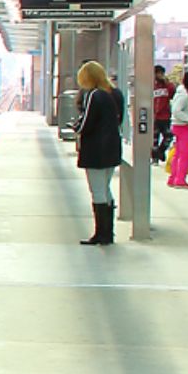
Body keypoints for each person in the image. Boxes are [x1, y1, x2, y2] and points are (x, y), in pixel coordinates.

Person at [73, 61, 122, 245]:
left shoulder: (94, 95)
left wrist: (77, 129)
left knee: (97, 191)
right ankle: (108, 233)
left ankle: (100, 234)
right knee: (106, 189)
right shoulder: (113, 93)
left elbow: (86, 123)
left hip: (96, 150)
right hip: (111, 148)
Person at [166, 70, 188, 189]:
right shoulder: (184, 95)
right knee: (185, 155)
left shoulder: (180, 93)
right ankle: (180, 180)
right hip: (183, 127)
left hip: (178, 126)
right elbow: (176, 110)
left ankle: (173, 178)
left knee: (178, 154)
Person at [151, 65, 174, 165]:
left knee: (168, 136)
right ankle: (155, 158)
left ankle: (160, 152)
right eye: (158, 73)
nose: (160, 75)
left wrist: (167, 83)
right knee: (154, 139)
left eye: (162, 73)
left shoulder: (168, 86)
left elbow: (173, 94)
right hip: (155, 117)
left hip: (165, 117)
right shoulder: (152, 86)